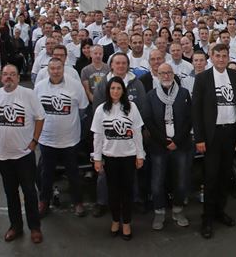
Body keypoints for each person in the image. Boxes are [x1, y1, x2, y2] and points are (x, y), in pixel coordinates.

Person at [191, 43, 236, 239]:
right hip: (211, 136)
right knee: (211, 178)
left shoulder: (234, 76)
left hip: (230, 133)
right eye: (218, 56)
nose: (222, 59)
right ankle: (207, 218)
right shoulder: (202, 79)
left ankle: (220, 211)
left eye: (225, 56)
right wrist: (199, 138)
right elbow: (196, 112)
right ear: (211, 57)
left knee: (225, 176)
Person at [0, 64, 45, 245]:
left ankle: (35, 227)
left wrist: (34, 141)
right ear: (1, 77)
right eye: (5, 74)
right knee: (10, 193)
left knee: (29, 193)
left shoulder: (28, 94)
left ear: (18, 77)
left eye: (12, 74)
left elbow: (40, 117)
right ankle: (15, 226)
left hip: (24, 155)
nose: (8, 77)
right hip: (3, 156)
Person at [139, 62, 192, 231]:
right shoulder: (151, 96)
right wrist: (165, 141)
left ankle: (177, 210)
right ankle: (159, 211)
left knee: (181, 181)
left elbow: (189, 119)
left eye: (169, 72)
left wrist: (176, 140)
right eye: (163, 73)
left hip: (181, 144)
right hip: (159, 146)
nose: (166, 76)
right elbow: (148, 121)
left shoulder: (183, 93)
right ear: (158, 75)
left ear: (174, 74)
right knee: (157, 182)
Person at [34, 57, 89, 218]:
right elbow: (35, 112)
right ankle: (44, 201)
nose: (55, 71)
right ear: (48, 70)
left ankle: (78, 202)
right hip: (47, 140)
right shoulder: (39, 87)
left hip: (70, 140)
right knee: (46, 174)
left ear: (63, 68)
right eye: (52, 69)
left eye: (58, 68)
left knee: (73, 174)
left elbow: (83, 110)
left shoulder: (75, 86)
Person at [92, 77, 145, 241]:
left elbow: (137, 133)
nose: (115, 91)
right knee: (113, 192)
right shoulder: (101, 109)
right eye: (112, 88)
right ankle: (115, 221)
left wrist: (140, 155)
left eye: (118, 88)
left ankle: (127, 222)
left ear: (123, 91)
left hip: (128, 157)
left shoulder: (131, 107)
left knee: (127, 192)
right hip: (110, 158)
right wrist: (97, 158)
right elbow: (98, 136)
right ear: (108, 91)